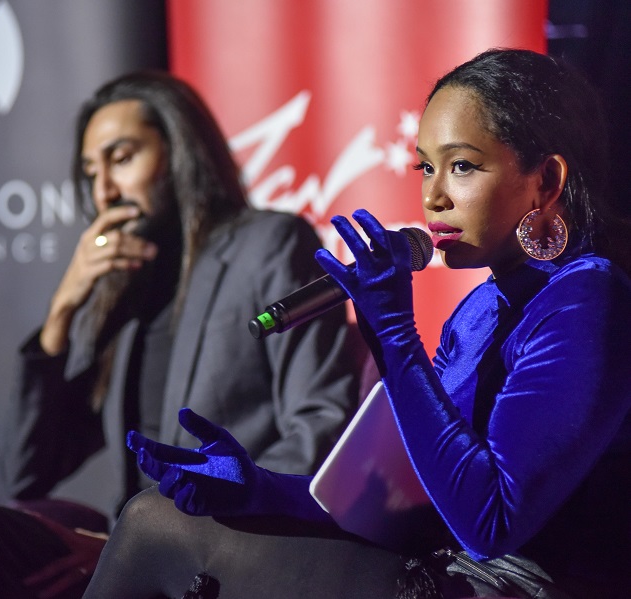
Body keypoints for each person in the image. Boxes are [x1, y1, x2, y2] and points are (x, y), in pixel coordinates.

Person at [84, 49, 631, 599]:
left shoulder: (587, 299)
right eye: (426, 166)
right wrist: (261, 489)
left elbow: (490, 523)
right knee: (158, 515)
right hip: (432, 560)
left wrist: (395, 338)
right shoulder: (481, 310)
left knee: (153, 526)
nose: (433, 196)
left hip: (508, 586)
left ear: (547, 179)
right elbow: (405, 503)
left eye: (462, 166)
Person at [0, 72, 366, 599]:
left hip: (227, 540)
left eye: (122, 157)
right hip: (127, 544)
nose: (104, 190)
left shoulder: (268, 243)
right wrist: (63, 311)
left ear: (181, 152)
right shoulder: (126, 287)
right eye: (91, 172)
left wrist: (157, 532)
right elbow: (28, 470)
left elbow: (321, 422)